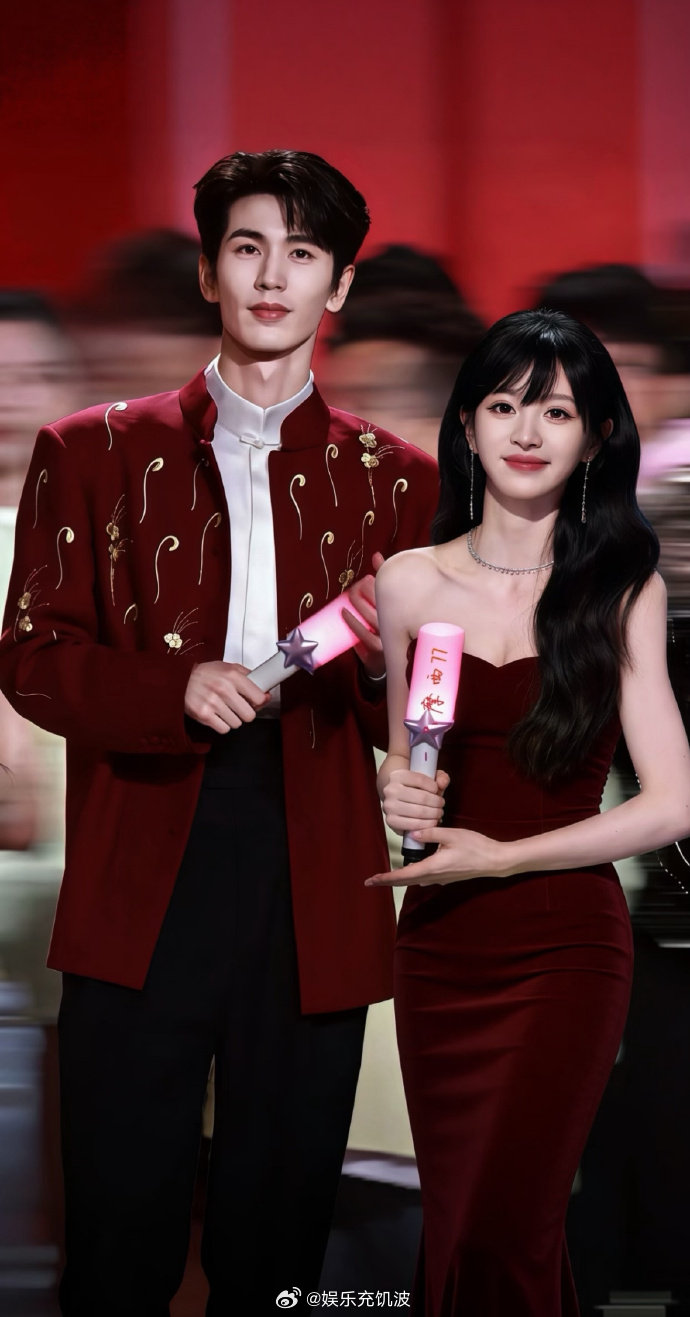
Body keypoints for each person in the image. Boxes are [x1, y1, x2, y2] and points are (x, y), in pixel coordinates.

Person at [0, 148, 438, 1316]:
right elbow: (31, 657)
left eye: (303, 253)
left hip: (317, 866)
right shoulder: (89, 451)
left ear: (340, 284)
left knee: (278, 1254)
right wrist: (172, 689)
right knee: (117, 1244)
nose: (273, 277)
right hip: (140, 859)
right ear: (208, 271)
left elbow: (431, 700)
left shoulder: (399, 480)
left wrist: (394, 676)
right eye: (247, 248)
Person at [366, 309, 690, 1317]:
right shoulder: (408, 581)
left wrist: (502, 857)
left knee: (509, 1225)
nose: (527, 430)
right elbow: (412, 759)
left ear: (595, 436)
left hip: (566, 945)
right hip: (439, 944)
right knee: (461, 1225)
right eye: (505, 405)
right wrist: (397, 788)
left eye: (557, 411)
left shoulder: (621, 587)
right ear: (466, 425)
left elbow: (673, 802)